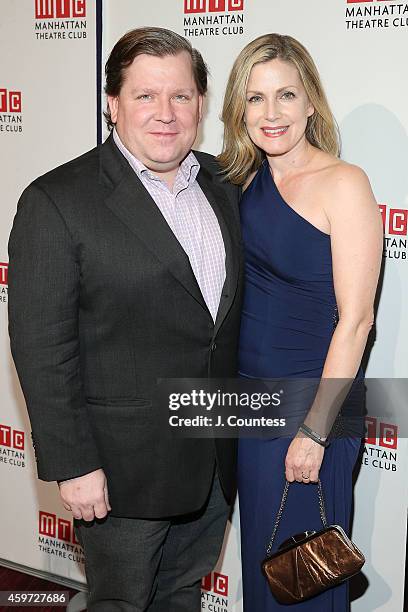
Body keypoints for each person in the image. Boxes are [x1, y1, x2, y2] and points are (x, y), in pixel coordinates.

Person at [8, 27, 242, 612]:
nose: (165, 113)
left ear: (200, 104)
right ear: (112, 103)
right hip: (119, 471)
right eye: (145, 96)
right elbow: (41, 347)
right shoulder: (57, 200)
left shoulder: (226, 184)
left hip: (213, 455)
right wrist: (73, 464)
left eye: (181, 96)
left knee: (182, 595)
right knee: (121, 603)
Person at [218, 33, 383, 610]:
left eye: (286, 94)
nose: (271, 113)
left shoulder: (346, 183)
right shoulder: (237, 182)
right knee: (268, 574)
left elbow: (357, 321)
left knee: (305, 577)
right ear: (239, 108)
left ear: (311, 102)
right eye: (256, 98)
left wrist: (313, 432)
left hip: (315, 408)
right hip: (249, 406)